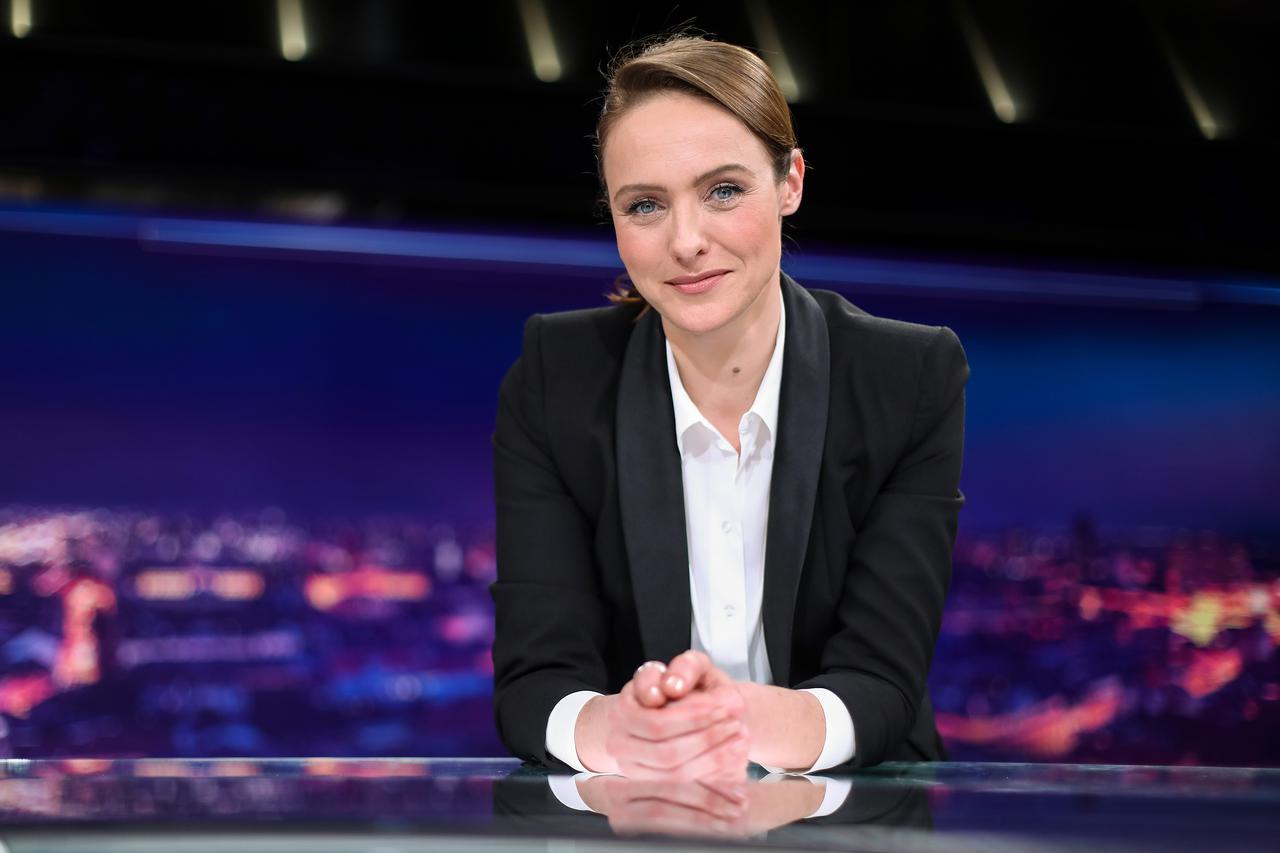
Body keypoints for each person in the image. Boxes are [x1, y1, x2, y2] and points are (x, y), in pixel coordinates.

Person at [491, 34, 967, 778]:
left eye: (722, 191)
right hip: (636, 811)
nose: (686, 242)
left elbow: (882, 683)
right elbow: (535, 684)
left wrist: (728, 721)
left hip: (858, 805)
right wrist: (614, 728)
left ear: (791, 182)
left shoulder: (907, 376)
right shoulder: (558, 376)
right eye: (645, 205)